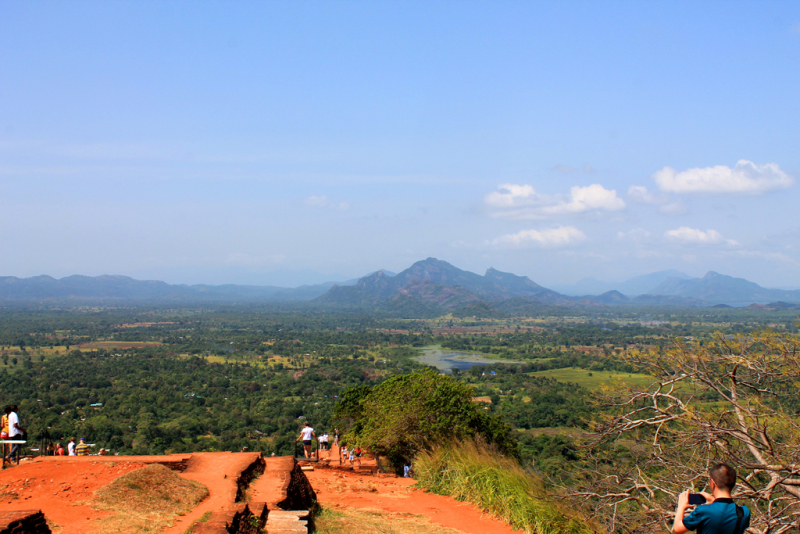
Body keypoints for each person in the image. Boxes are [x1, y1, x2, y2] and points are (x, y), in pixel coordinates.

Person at [673, 463, 751, 534]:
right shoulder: (744, 512)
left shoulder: (704, 510)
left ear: (713, 483)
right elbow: (724, 518)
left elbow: (677, 529)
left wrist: (681, 506)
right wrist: (713, 502)